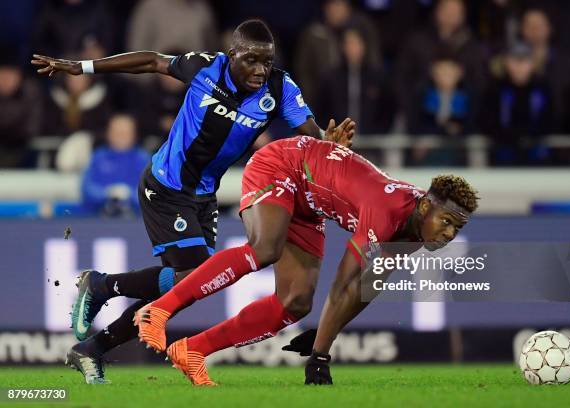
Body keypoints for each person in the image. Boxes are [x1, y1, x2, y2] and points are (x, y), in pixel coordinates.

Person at [32, 19, 355, 384]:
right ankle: (102, 286)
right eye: (251, 60)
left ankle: (92, 347)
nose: (260, 70)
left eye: (266, 62)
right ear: (232, 54)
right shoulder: (206, 67)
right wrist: (82, 67)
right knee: (193, 278)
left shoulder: (279, 88)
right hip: (166, 185)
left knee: (186, 287)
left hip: (204, 196)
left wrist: (329, 144)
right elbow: (152, 60)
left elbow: (311, 136)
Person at [135, 135, 479, 386]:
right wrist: (320, 355)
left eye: (457, 227)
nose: (449, 233)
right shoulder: (388, 211)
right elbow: (345, 282)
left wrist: (322, 335)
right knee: (265, 248)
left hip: (309, 200)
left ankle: (191, 350)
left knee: (296, 302)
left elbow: (367, 287)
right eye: (446, 222)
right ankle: (159, 310)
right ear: (424, 206)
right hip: (283, 164)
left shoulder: (419, 232)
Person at [81, 114, 150, 216]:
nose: (121, 136)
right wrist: (107, 193)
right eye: (117, 132)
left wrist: (129, 194)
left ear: (134, 135)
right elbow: (87, 189)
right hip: (98, 216)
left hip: (136, 218)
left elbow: (152, 193)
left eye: (126, 133)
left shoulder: (144, 159)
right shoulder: (98, 157)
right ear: (108, 133)